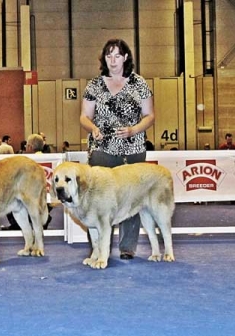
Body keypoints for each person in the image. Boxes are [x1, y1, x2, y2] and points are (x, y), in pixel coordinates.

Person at [79, 38, 155, 260]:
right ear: (103, 58)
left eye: (117, 55)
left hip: (133, 149)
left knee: (132, 199)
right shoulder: (94, 85)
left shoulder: (139, 83)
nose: (112, 60)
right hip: (102, 149)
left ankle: (127, 248)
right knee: (97, 201)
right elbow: (84, 116)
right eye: (108, 56)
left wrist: (134, 130)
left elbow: (150, 115)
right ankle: (98, 249)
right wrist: (92, 128)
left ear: (126, 57)